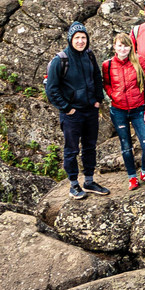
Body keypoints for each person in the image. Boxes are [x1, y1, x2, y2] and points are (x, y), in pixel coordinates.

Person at [44, 24, 105, 199]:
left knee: (90, 147)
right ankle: (73, 185)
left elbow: (97, 78)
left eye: (83, 37)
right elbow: (51, 89)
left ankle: (89, 181)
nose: (80, 41)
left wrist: (98, 99)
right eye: (77, 37)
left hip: (90, 110)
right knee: (71, 150)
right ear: (70, 39)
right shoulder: (60, 60)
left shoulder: (89, 55)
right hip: (72, 113)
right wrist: (66, 108)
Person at [101, 33, 145, 190]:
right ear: (114, 47)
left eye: (126, 45)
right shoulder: (107, 65)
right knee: (126, 146)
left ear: (131, 47)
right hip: (118, 110)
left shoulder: (139, 61)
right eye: (120, 45)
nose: (123, 49)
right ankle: (132, 177)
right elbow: (106, 84)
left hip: (139, 109)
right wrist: (113, 95)